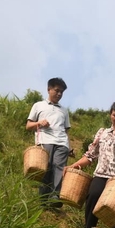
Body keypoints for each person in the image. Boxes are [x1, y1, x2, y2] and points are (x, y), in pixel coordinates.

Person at [25, 78, 70, 208]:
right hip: (45, 140)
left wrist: (70, 147)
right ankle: (43, 199)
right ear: (48, 89)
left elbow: (66, 131)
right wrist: (39, 123)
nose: (59, 94)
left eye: (61, 92)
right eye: (57, 90)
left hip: (62, 142)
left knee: (59, 167)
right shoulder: (38, 105)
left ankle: (55, 196)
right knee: (47, 167)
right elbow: (28, 125)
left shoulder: (64, 110)